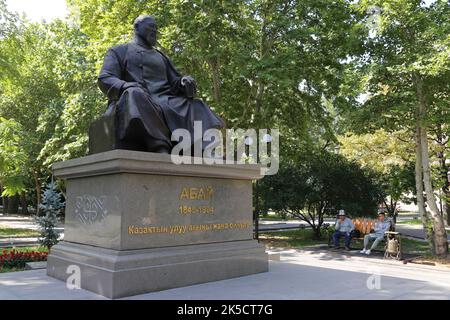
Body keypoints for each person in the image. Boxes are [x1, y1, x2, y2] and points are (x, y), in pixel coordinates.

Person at [97, 15, 225, 153]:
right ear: (136, 28)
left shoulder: (160, 56)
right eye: (150, 26)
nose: (154, 30)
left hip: (166, 101)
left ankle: (205, 149)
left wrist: (183, 82)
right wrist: (124, 86)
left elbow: (174, 81)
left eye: (156, 28)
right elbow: (105, 77)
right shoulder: (119, 51)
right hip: (138, 98)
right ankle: (159, 145)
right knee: (135, 93)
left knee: (196, 105)